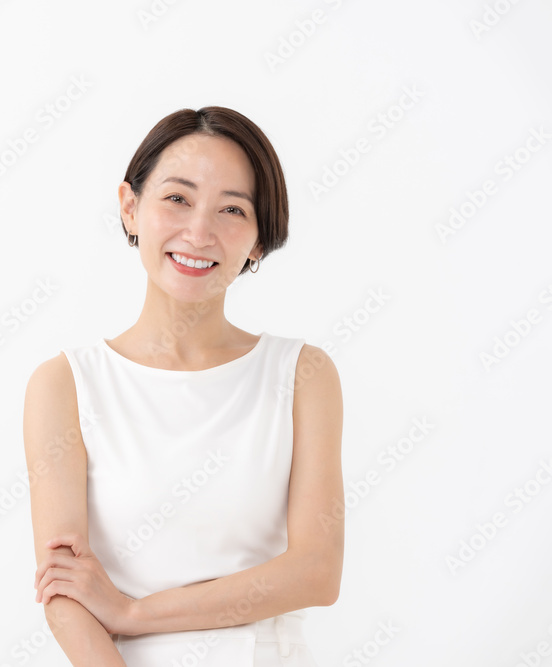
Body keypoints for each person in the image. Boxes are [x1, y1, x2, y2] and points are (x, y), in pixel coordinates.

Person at [23, 106, 344, 667]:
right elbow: (63, 593)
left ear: (259, 241)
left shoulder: (303, 375)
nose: (199, 232)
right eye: (177, 198)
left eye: (232, 209)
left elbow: (317, 572)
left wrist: (133, 613)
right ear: (130, 208)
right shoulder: (65, 384)